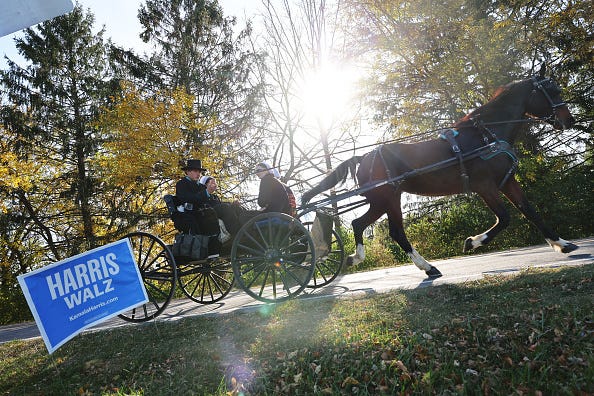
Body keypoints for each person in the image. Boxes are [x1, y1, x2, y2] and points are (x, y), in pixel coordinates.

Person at [175, 159, 220, 255]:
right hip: (191, 215)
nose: (198, 173)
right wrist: (206, 192)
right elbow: (188, 198)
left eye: (199, 171)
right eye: (195, 171)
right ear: (188, 172)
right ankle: (212, 249)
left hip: (203, 212)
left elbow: (207, 200)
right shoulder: (181, 184)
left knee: (225, 208)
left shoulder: (201, 186)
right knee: (212, 214)